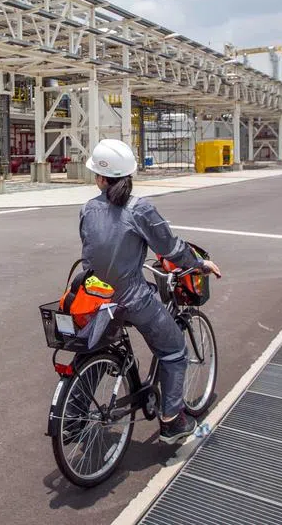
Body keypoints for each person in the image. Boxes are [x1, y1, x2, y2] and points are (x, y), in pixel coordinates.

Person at [78, 138, 221, 444]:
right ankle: (172, 421)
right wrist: (200, 263)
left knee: (95, 347)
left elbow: (91, 254)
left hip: (96, 297)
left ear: (101, 178)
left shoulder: (88, 209)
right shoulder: (139, 208)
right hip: (132, 298)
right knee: (173, 351)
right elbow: (169, 248)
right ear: (128, 175)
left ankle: (73, 419)